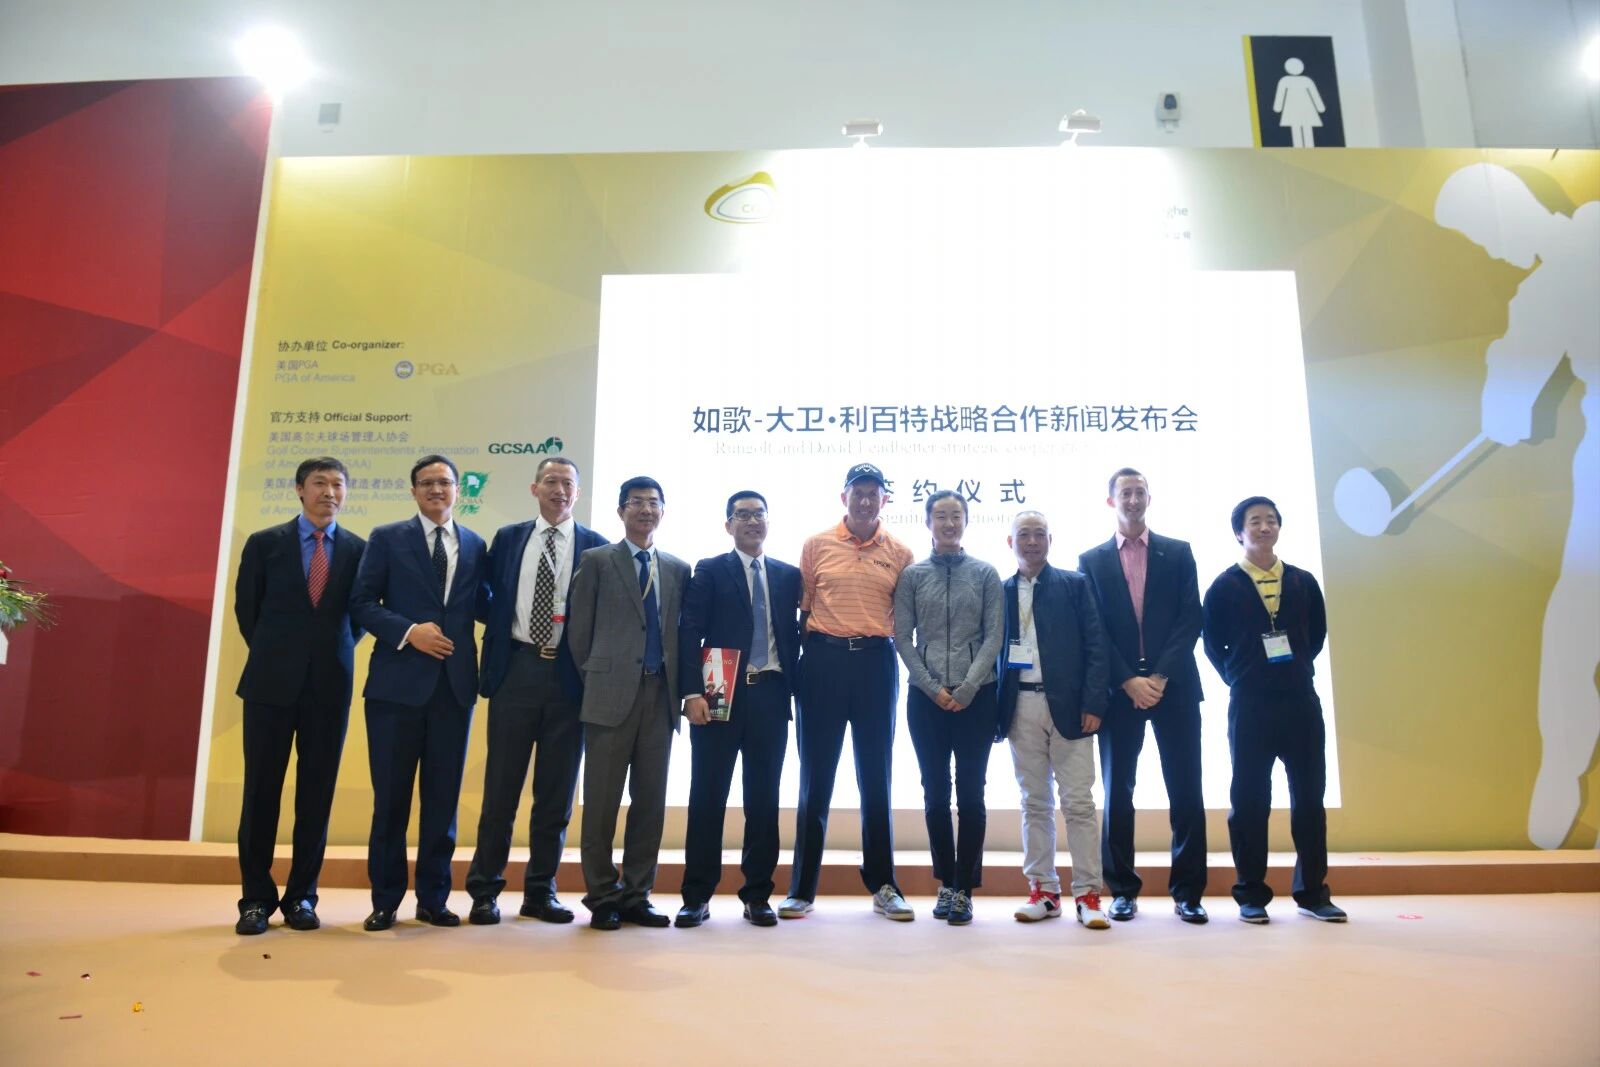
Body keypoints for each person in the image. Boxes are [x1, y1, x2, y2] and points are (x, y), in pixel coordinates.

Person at [1435, 163, 1599, 849]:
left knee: (1574, 620)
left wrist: (1505, 402)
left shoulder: (1560, 272)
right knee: (1574, 618)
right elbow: (1509, 395)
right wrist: (1506, 397)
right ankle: (1561, 770)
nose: (1491, 249)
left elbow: (1507, 403)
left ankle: (1561, 769)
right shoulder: (1554, 276)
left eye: (1481, 233)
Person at [464, 457, 608, 926]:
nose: (559, 490)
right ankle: (485, 891)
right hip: (516, 671)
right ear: (534, 488)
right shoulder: (509, 538)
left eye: (568, 483)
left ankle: (540, 892)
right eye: (551, 481)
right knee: (500, 792)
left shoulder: (596, 547)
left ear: (578, 493)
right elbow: (484, 594)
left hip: (569, 678)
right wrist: (505, 627)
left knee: (555, 795)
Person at [349, 454, 489, 931]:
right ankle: (385, 900)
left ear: (457, 490)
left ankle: (434, 898)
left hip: (454, 689)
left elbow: (484, 604)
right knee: (391, 801)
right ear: (413, 491)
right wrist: (410, 632)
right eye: (426, 482)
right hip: (395, 690)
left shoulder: (475, 544)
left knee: (442, 802)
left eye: (444, 482)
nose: (436, 489)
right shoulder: (388, 538)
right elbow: (361, 602)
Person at [232, 457, 366, 935]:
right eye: (319, 483)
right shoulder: (265, 543)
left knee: (316, 794)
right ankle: (255, 899)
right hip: (269, 684)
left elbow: (361, 616)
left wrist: (327, 653)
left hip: (329, 687)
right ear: (299, 489)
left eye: (338, 484)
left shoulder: (359, 550)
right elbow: (247, 611)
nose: (329, 492)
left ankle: (302, 897)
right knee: (260, 792)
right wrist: (281, 654)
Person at [781, 463, 916, 921]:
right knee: (814, 779)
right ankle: (801, 889)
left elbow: (905, 620)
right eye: (857, 492)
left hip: (876, 664)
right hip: (823, 662)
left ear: (884, 500)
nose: (865, 500)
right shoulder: (816, 545)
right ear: (844, 498)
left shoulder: (901, 552)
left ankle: (884, 886)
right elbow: (803, 613)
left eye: (873, 493)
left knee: (876, 779)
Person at [1203, 496, 1345, 924]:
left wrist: (1292, 669)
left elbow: (1316, 635)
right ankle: (1251, 894)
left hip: (1301, 702)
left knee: (1309, 800)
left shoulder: (1302, 581)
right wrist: (1240, 675)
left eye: (1270, 520)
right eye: (1254, 521)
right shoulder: (1224, 586)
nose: (1264, 527)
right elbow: (1212, 644)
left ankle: (1313, 893)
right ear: (1239, 532)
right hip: (1250, 706)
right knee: (1249, 801)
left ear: (1279, 528)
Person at [1078, 468, 1209, 924]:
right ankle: (1122, 890)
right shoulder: (1091, 560)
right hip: (1119, 693)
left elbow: (1191, 618)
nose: (1132, 499)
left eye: (1139, 492)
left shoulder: (1179, 552)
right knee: (1118, 792)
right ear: (1111, 501)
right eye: (1124, 493)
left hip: (1175, 688)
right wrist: (1127, 680)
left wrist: (1159, 676)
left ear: (1149, 498)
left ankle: (1188, 892)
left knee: (1186, 789)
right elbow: (1093, 630)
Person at [673, 490, 802, 928]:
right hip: (718, 694)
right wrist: (691, 693)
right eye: (742, 515)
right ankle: (696, 895)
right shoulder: (711, 569)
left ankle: (758, 895)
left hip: (770, 695)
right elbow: (689, 631)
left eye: (758, 514)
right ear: (728, 525)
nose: (751, 521)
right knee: (707, 797)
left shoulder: (788, 575)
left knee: (764, 801)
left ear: (768, 521)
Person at [567, 476, 690, 930]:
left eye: (653, 503)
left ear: (663, 512)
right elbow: (579, 632)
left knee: (650, 803)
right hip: (609, 695)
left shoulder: (677, 568)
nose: (645, 510)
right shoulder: (597, 561)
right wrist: (600, 678)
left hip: (660, 697)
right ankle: (602, 895)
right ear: (621, 511)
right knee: (601, 802)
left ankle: (638, 894)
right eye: (636, 502)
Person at [892, 490, 1004, 926]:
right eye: (940, 516)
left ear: (966, 521)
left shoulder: (985, 573)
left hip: (978, 697)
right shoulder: (913, 575)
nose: (949, 523)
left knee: (972, 794)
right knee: (935, 794)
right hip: (926, 700)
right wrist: (933, 687)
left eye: (956, 515)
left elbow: (994, 636)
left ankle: (964, 888)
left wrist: (970, 686)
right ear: (928, 523)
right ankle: (946, 883)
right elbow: (903, 638)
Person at [996, 510, 1111, 929]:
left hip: (1071, 707)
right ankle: (1043, 891)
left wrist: (1094, 703)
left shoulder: (1074, 584)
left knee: (1078, 803)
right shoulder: (1001, 590)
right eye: (1023, 534)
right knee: (1034, 802)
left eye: (1039, 534)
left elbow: (1096, 645)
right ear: (1011, 542)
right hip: (1020, 707)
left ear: (1050, 539)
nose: (1032, 541)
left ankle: (1088, 894)